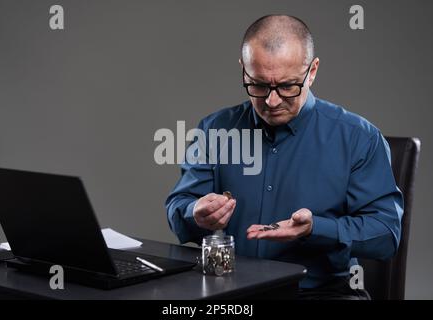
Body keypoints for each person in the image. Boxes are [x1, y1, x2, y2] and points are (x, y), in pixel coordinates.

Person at [165, 15, 403, 300]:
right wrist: (196, 213)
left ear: (312, 71)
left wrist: (316, 228)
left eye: (288, 86)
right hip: (229, 294)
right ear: (244, 71)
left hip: (319, 295)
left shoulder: (359, 138)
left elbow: (386, 234)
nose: (272, 101)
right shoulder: (214, 129)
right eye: (260, 85)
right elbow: (179, 207)